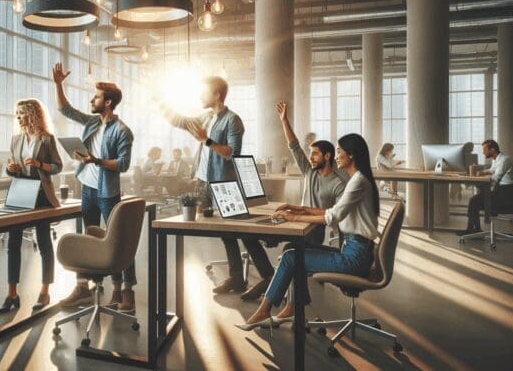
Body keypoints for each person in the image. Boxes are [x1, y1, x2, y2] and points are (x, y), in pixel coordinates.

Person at [236, 133, 380, 330]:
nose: (337, 156)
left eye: (339, 152)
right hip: (355, 250)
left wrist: (293, 217)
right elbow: (332, 211)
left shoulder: (357, 182)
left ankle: (265, 311)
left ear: (351, 155)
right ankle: (291, 307)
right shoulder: (358, 179)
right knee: (291, 253)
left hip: (355, 257)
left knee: (290, 258)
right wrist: (299, 209)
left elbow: (332, 218)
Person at [161, 76, 273, 297]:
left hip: (226, 185)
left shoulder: (233, 120)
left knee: (245, 233)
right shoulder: (205, 117)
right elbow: (181, 121)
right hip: (205, 183)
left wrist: (207, 140)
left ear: (217, 95)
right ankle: (237, 279)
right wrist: (161, 102)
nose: (200, 97)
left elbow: (232, 153)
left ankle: (268, 277)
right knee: (225, 233)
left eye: (204, 92)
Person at [52, 63, 136, 313]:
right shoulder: (91, 122)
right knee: (89, 240)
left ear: (108, 102)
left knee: (118, 243)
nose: (92, 99)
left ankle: (124, 291)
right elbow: (65, 109)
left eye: (97, 96)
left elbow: (123, 165)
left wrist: (95, 161)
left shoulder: (123, 131)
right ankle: (83, 288)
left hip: (107, 192)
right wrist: (58, 84)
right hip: (87, 189)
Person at [0, 99, 62, 313]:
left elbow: (57, 166)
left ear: (33, 114)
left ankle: (44, 291)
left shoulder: (46, 139)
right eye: (16, 113)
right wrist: (11, 168)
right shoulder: (16, 140)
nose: (18, 117)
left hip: (41, 195)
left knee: (44, 242)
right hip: (20, 193)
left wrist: (39, 164)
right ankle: (12, 294)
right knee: (12, 243)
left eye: (22, 113)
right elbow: (11, 169)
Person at [458, 139, 513, 236]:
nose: (483, 152)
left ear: (492, 150)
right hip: (500, 192)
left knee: (474, 201)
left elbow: (496, 177)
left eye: (484, 150)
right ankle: (475, 229)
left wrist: (481, 177)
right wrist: (483, 172)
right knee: (474, 200)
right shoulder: (496, 159)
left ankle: (473, 230)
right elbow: (493, 170)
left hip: (505, 196)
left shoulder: (505, 159)